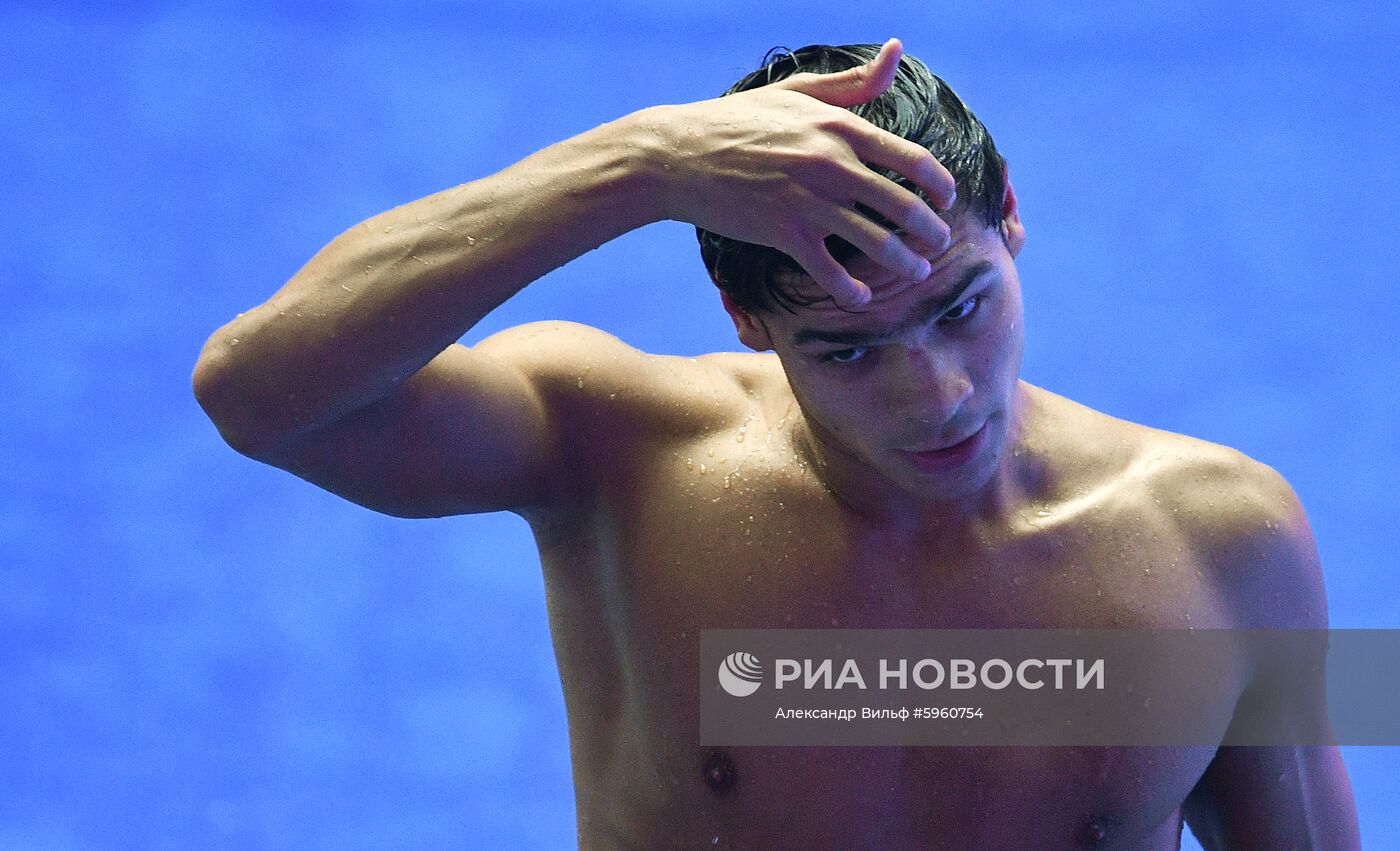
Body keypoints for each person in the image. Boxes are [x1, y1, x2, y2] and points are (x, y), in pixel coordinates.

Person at [192, 38, 1360, 850]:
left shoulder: (1225, 538)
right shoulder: (617, 450)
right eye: (847, 352)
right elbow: (256, 390)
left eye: (959, 305)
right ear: (747, 325)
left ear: (1009, 217)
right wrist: (639, 162)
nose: (934, 395)